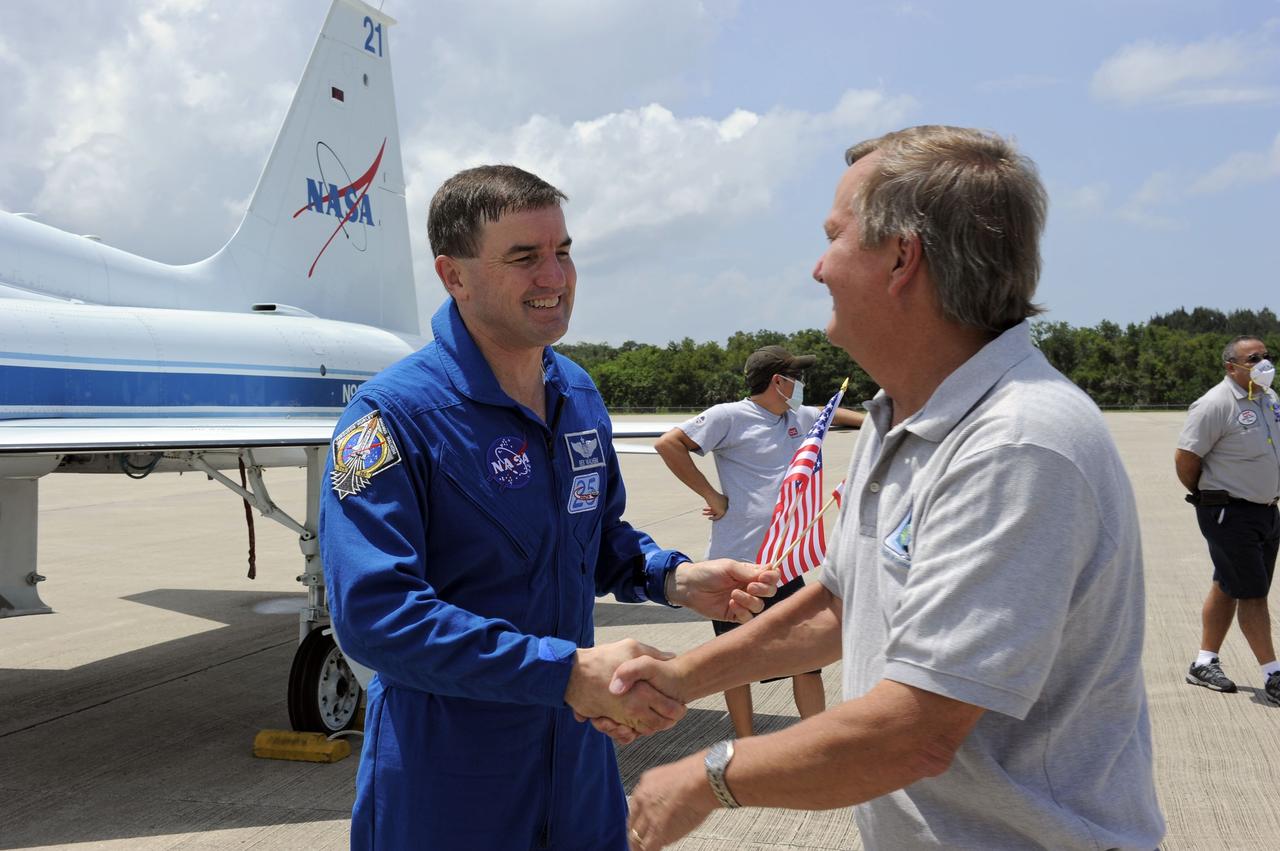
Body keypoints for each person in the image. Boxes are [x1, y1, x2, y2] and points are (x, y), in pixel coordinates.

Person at [607, 126, 1165, 850]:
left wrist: (707, 775)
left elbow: (915, 733)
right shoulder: (899, 411)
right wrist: (680, 676)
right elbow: (840, 602)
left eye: (835, 236)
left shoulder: (1017, 442)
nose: (818, 268)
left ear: (902, 256)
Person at [318, 164, 780, 851]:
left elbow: (595, 538)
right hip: (449, 777)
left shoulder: (578, 394)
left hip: (580, 763)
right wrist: (564, 671)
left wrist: (670, 577)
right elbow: (374, 615)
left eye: (562, 251)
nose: (555, 277)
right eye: (524, 257)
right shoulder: (394, 417)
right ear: (455, 276)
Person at [653, 345, 863, 737]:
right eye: (795, 376)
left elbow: (843, 416)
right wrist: (712, 496)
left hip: (783, 565)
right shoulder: (728, 416)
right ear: (777, 382)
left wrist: (884, 420)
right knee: (736, 664)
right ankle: (747, 744)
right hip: (733, 565)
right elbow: (669, 443)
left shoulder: (798, 416)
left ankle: (815, 741)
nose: (800, 384)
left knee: (806, 660)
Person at [1175, 335, 1280, 703]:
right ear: (1231, 366)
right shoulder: (1214, 404)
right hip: (1228, 511)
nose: (1264, 363)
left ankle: (1203, 662)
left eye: (1267, 356)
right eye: (1254, 358)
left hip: (1265, 511)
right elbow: (1186, 459)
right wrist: (1209, 497)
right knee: (1252, 593)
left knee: (1228, 582)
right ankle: (1273, 674)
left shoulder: (1268, 399)